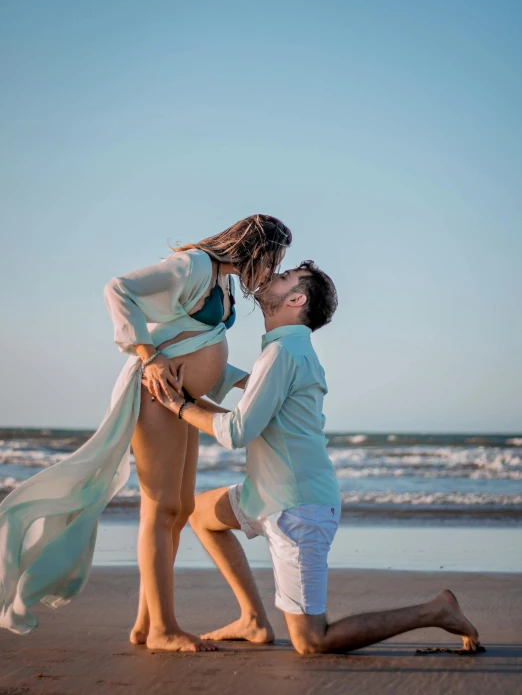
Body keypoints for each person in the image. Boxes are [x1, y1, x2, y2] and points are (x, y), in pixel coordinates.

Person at [154, 261, 481, 655]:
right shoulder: (284, 351)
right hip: (267, 495)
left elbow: (237, 431)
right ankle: (253, 620)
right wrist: (193, 374)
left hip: (297, 510)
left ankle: (436, 611)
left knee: (312, 641)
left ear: (296, 299)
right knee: (201, 515)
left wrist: (179, 405)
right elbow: (256, 397)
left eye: (284, 277)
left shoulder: (284, 353)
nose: (272, 276)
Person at [0, 214, 291, 653]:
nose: (271, 271)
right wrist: (148, 355)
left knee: (183, 507)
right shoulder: (194, 265)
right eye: (272, 259)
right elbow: (118, 289)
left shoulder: (223, 282)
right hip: (157, 396)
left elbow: (194, 342)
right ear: (254, 248)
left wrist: (242, 380)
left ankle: (145, 624)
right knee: (162, 508)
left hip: (182, 402)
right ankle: (163, 629)